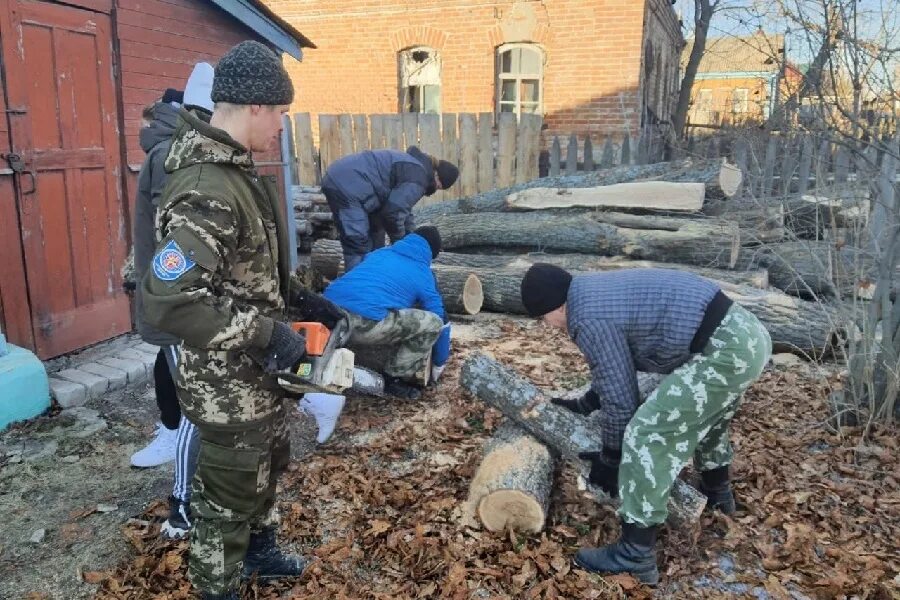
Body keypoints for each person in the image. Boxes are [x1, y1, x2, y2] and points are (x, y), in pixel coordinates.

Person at [142, 40, 342, 600]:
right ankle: (218, 586)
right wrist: (266, 332)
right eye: (280, 113)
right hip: (226, 381)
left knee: (266, 465)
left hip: (258, 372)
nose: (282, 126)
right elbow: (171, 299)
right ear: (255, 107)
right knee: (228, 490)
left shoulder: (235, 169)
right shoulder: (206, 186)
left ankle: (260, 553)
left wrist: (301, 299)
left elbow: (244, 267)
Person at [519, 265, 772, 586]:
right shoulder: (591, 291)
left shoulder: (586, 317)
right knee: (709, 411)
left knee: (646, 432)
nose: (547, 326)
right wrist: (591, 403)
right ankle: (717, 492)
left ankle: (634, 554)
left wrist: (612, 456)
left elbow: (621, 398)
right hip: (745, 334)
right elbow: (615, 368)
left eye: (544, 318)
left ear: (557, 307)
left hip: (727, 350)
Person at [128, 63, 216, 542]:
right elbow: (176, 242)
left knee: (197, 399)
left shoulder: (176, 149)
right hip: (178, 307)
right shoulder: (170, 155)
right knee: (197, 407)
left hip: (183, 305)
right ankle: (181, 506)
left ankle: (198, 489)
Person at [322, 226, 451, 401]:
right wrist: (439, 363)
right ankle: (394, 378)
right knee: (432, 322)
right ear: (431, 253)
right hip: (361, 323)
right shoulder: (424, 273)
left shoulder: (379, 254)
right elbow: (441, 320)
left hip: (326, 312)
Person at [321, 147, 458, 271]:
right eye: (439, 186)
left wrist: (411, 237)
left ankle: (374, 282)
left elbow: (404, 210)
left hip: (350, 182)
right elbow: (393, 213)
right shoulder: (419, 177)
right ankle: (356, 292)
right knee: (357, 245)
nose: (436, 189)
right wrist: (400, 243)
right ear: (437, 176)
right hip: (348, 185)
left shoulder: (416, 168)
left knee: (376, 243)